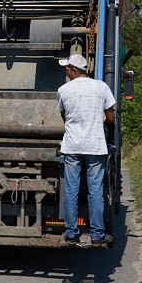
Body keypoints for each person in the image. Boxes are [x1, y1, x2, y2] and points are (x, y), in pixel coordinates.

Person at [56, 54, 116, 246]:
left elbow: (65, 117)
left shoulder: (63, 90)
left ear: (75, 70)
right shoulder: (101, 87)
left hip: (72, 147)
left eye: (67, 68)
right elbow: (111, 117)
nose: (65, 71)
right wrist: (104, 120)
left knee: (71, 191)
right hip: (95, 147)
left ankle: (72, 233)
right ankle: (97, 235)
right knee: (95, 191)